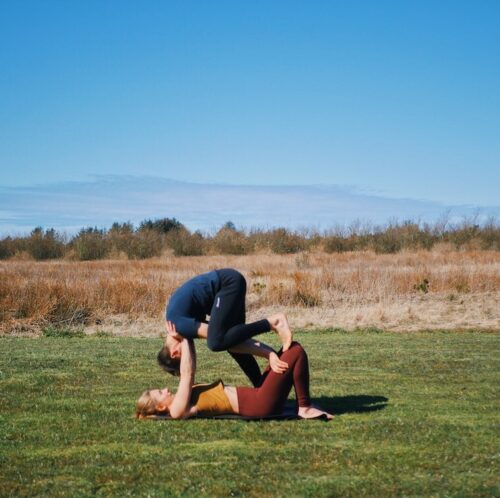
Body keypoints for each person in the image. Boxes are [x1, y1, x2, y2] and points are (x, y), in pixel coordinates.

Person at [137, 335, 333, 421]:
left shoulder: (180, 399)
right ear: (161, 407)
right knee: (296, 350)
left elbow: (185, 367)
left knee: (288, 350)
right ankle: (304, 407)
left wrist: (178, 340)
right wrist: (187, 334)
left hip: (258, 396)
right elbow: (188, 373)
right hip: (260, 403)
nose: (165, 389)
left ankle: (303, 405)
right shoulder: (177, 409)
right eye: (160, 393)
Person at [159, 268, 293, 386]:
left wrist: (267, 353)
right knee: (231, 343)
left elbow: (217, 339)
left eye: (189, 356)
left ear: (175, 353)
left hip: (228, 284)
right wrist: (270, 353)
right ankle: (261, 387)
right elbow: (231, 340)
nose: (192, 355)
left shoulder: (179, 327)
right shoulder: (177, 325)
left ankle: (273, 323)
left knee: (216, 342)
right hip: (230, 282)